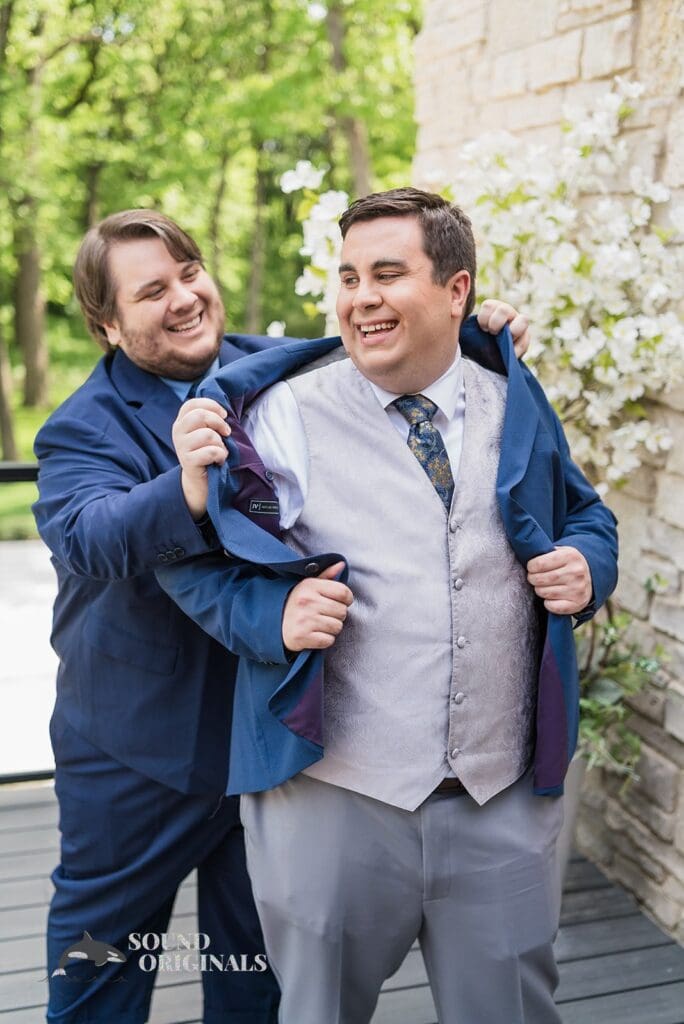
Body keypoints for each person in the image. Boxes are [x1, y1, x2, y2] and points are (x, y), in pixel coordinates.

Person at [32, 206, 528, 1024]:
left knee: (256, 977)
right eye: (152, 292)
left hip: (272, 748)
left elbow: (387, 355)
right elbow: (91, 536)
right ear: (107, 323)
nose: (184, 298)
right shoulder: (79, 429)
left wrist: (482, 338)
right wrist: (188, 485)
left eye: (189, 274)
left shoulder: (274, 368)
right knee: (102, 964)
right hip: (136, 756)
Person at [159, 188, 618, 1024]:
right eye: (347, 277)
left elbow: (588, 514)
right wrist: (273, 619)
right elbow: (187, 562)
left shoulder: (514, 396)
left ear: (457, 291)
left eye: (387, 273)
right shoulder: (278, 415)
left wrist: (587, 566)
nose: (360, 297)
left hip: (500, 798)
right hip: (334, 800)